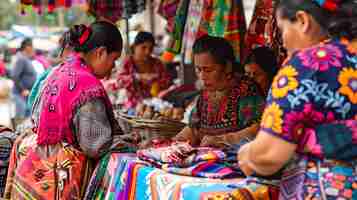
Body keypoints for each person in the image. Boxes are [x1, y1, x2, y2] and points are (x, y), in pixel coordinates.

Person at [237, 0, 357, 199]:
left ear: (303, 21)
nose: (283, 42)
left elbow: (269, 154)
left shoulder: (309, 64)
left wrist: (247, 155)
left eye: (283, 28)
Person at [4, 21, 130, 200]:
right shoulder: (87, 86)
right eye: (114, 59)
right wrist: (128, 142)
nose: (113, 67)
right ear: (101, 52)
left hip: (32, 168)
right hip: (59, 178)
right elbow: (95, 145)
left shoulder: (58, 71)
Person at [173, 35, 265, 148]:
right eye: (198, 69)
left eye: (208, 70)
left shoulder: (246, 90)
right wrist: (171, 144)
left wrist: (224, 140)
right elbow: (193, 129)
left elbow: (260, 129)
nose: (202, 76)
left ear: (227, 67)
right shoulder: (206, 93)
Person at [114, 31, 171, 110]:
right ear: (134, 47)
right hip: (133, 107)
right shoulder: (127, 63)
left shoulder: (158, 63)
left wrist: (157, 83)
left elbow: (167, 81)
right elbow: (119, 82)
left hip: (156, 106)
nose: (147, 52)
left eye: (150, 49)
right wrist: (138, 77)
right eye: (143, 47)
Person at [10, 38, 36, 118]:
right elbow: (14, 75)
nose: (33, 49)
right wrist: (22, 89)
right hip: (20, 95)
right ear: (27, 47)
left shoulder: (25, 58)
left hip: (26, 95)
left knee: (25, 119)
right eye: (32, 47)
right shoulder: (21, 58)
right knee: (20, 119)